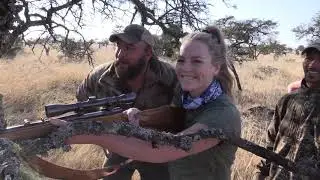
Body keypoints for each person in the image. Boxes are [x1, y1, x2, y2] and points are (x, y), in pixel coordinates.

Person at [59, 26, 242, 180]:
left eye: (197, 61)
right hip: (138, 150)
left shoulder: (222, 113)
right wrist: (139, 117)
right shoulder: (188, 98)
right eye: (181, 60)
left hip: (154, 150)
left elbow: (161, 150)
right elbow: (174, 113)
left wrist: (83, 133)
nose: (186, 68)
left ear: (216, 67)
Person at [76, 24, 177, 180]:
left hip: (157, 149)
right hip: (118, 147)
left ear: (148, 52)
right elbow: (81, 107)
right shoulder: (100, 77)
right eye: (118, 46)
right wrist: (104, 133)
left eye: (130, 48)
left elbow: (183, 115)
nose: (120, 54)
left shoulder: (170, 77)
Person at [254, 40, 320, 180]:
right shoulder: (287, 100)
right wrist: (262, 171)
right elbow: (272, 140)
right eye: (309, 58)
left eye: (319, 60)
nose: (312, 64)